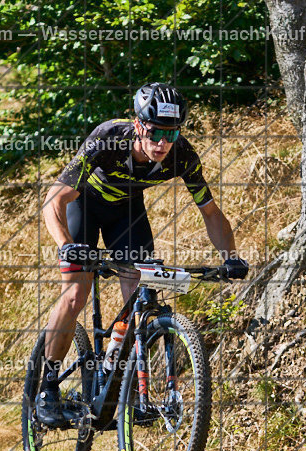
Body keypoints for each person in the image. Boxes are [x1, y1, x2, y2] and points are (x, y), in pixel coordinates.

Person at [36, 82, 248, 427]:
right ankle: (47, 387)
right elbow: (54, 200)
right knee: (76, 293)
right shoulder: (108, 138)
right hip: (84, 206)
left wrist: (231, 258)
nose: (162, 143)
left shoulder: (182, 154)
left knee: (138, 295)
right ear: (138, 126)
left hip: (127, 213)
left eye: (171, 133)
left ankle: (122, 384)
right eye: (154, 133)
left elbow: (210, 212)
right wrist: (65, 244)